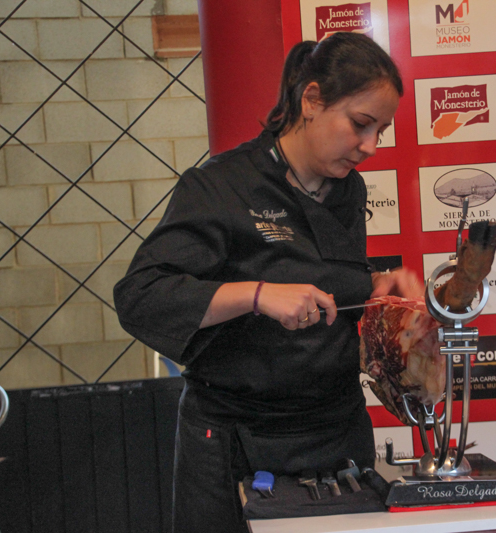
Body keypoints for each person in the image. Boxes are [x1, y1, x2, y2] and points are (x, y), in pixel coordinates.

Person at [114, 32, 421, 533]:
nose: (370, 146)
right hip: (236, 446)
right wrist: (256, 295)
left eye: (380, 131)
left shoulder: (348, 190)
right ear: (312, 100)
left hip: (337, 437)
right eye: (361, 125)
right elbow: (140, 295)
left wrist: (377, 290)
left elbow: (327, 279)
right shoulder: (219, 187)